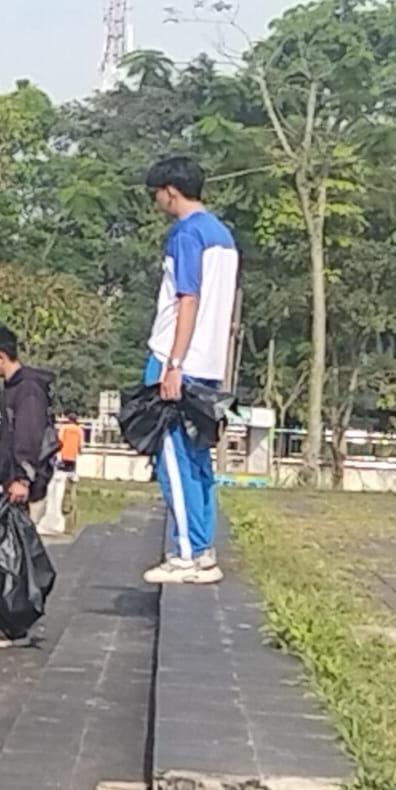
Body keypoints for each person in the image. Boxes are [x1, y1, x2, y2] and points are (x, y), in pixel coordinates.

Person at [143, 156, 238, 585]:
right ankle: (202, 549)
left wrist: (174, 364)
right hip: (211, 361)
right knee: (199, 459)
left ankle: (183, 553)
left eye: (157, 194)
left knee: (173, 457)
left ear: (170, 191)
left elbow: (187, 299)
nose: (158, 201)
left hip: (176, 358)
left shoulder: (185, 234)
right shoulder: (222, 234)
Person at [0, 323, 56, 649]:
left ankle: (14, 623)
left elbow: (28, 437)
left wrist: (22, 477)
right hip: (10, 482)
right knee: (8, 554)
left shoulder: (28, 390)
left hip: (21, 484)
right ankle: (10, 619)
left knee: (15, 557)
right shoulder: (14, 388)